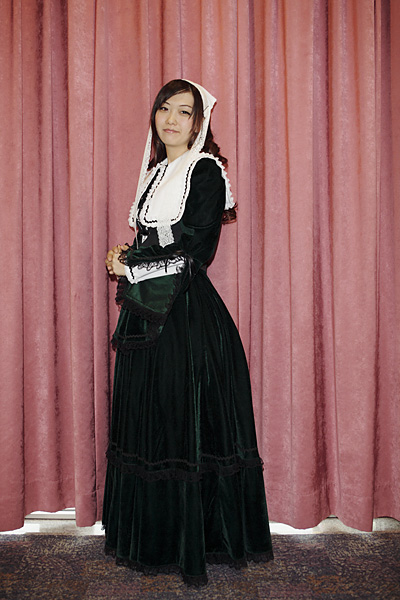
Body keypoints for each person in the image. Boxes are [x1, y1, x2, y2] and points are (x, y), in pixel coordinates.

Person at [102, 79, 273, 586]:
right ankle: (153, 539)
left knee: (183, 424)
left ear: (199, 123)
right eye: (164, 109)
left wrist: (131, 265)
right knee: (151, 420)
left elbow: (195, 249)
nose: (171, 119)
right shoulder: (156, 172)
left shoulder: (206, 171)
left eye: (184, 111)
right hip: (146, 311)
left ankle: (197, 543)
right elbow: (154, 239)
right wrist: (126, 256)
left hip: (188, 317)